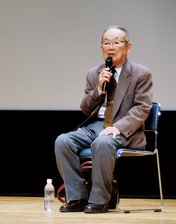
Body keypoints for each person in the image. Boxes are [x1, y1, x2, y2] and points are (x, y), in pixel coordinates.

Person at [54, 25, 153, 213]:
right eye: (106, 43)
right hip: (95, 126)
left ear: (128, 47)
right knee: (62, 141)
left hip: (124, 129)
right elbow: (85, 108)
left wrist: (118, 127)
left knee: (102, 142)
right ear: (101, 48)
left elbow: (142, 108)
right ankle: (78, 198)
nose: (111, 47)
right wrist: (99, 89)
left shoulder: (141, 73)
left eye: (116, 42)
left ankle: (100, 200)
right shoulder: (94, 73)